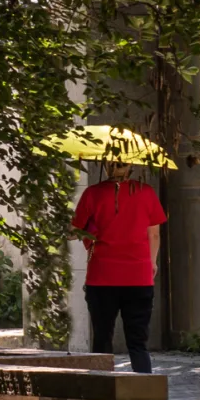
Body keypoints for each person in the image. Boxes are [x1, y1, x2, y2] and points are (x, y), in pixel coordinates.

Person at [69, 160, 167, 373]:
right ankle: (144, 397)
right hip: (139, 276)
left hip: (102, 277)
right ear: (132, 166)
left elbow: (73, 231)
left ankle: (100, 395)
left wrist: (91, 227)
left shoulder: (92, 194)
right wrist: (152, 263)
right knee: (138, 343)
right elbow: (154, 234)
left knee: (102, 340)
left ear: (106, 166)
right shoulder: (146, 192)